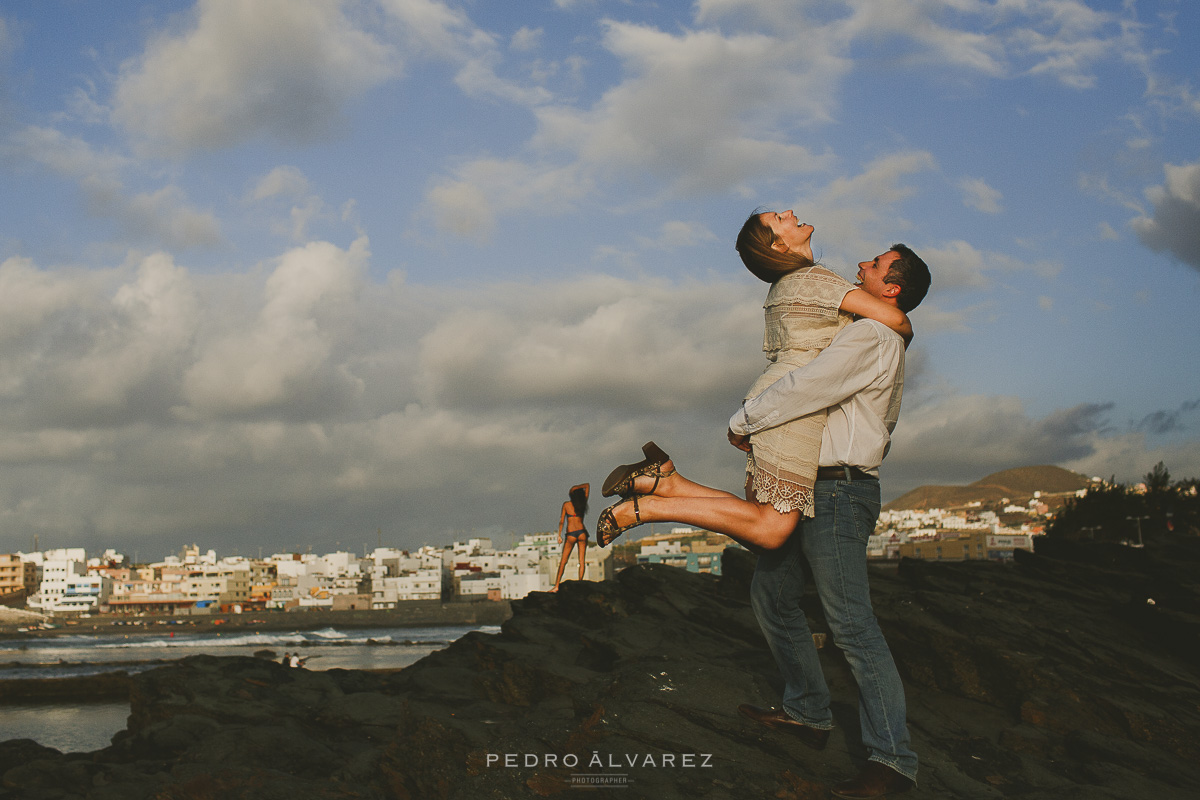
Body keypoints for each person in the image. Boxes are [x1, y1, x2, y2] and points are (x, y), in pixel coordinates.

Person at [597, 237, 931, 799]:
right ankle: (807, 715)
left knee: (851, 625)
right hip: (811, 486)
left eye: (873, 265)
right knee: (772, 599)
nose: (860, 265)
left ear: (890, 288)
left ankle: (893, 762)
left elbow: (807, 388)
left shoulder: (873, 336)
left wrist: (745, 420)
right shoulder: (860, 328)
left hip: (839, 492)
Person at [596, 211, 911, 551]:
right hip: (791, 408)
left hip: (776, 398)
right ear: (779, 244)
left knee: (759, 524)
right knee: (770, 531)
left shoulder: (790, 283)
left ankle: (667, 483)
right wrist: (900, 342)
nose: (790, 213)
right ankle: (647, 508)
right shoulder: (814, 279)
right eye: (779, 217)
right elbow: (896, 318)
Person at [552, 483, 590, 591]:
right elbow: (587, 486)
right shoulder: (583, 503)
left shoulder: (566, 505)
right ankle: (580, 583)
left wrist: (559, 535)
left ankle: (557, 586)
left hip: (571, 534)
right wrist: (577, 488)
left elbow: (561, 521)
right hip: (582, 532)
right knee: (581, 561)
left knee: (563, 561)